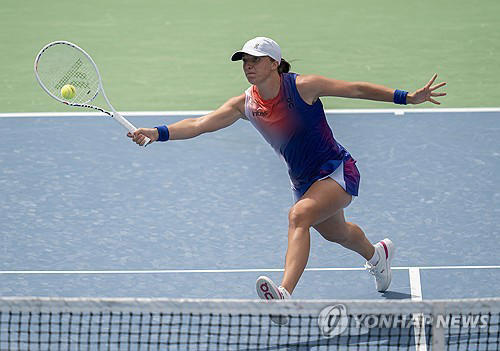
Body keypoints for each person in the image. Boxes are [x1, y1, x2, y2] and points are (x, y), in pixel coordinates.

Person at [129, 37, 446, 303]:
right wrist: (157, 132)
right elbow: (199, 124)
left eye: (255, 59)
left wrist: (407, 98)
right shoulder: (245, 104)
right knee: (336, 232)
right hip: (304, 182)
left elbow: (356, 89)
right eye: (244, 61)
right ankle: (377, 256)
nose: (248, 65)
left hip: (336, 170)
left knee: (298, 217)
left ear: (274, 63)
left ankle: (284, 294)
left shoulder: (304, 87)